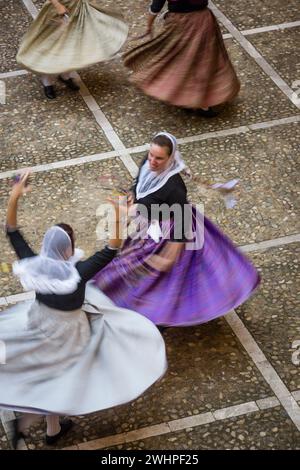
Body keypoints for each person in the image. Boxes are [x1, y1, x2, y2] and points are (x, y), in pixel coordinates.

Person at [0, 173, 166, 449]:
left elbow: (11, 230)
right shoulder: (77, 272)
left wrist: (16, 194)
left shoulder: (33, 264)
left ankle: (50, 429)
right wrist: (116, 214)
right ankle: (41, 426)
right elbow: (112, 249)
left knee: (48, 377)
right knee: (63, 380)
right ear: (68, 248)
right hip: (69, 333)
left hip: (39, 322)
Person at [92, 132, 260, 326]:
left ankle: (159, 314)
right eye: (151, 155)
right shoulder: (146, 164)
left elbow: (181, 225)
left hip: (169, 233)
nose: (153, 161)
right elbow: (139, 185)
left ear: (170, 158)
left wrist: (167, 257)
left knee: (171, 277)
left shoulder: (174, 187)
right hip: (151, 226)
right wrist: (132, 196)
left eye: (159, 158)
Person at [123, 0, 240, 117]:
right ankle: (200, 104)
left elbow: (156, 7)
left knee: (179, 59)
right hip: (203, 21)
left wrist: (149, 26)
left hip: (180, 23)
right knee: (203, 61)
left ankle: (185, 98)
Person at [17, 0, 128, 99]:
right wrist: (57, 5)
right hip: (58, 10)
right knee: (51, 46)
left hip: (77, 8)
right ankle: (47, 83)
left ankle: (65, 76)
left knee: (73, 45)